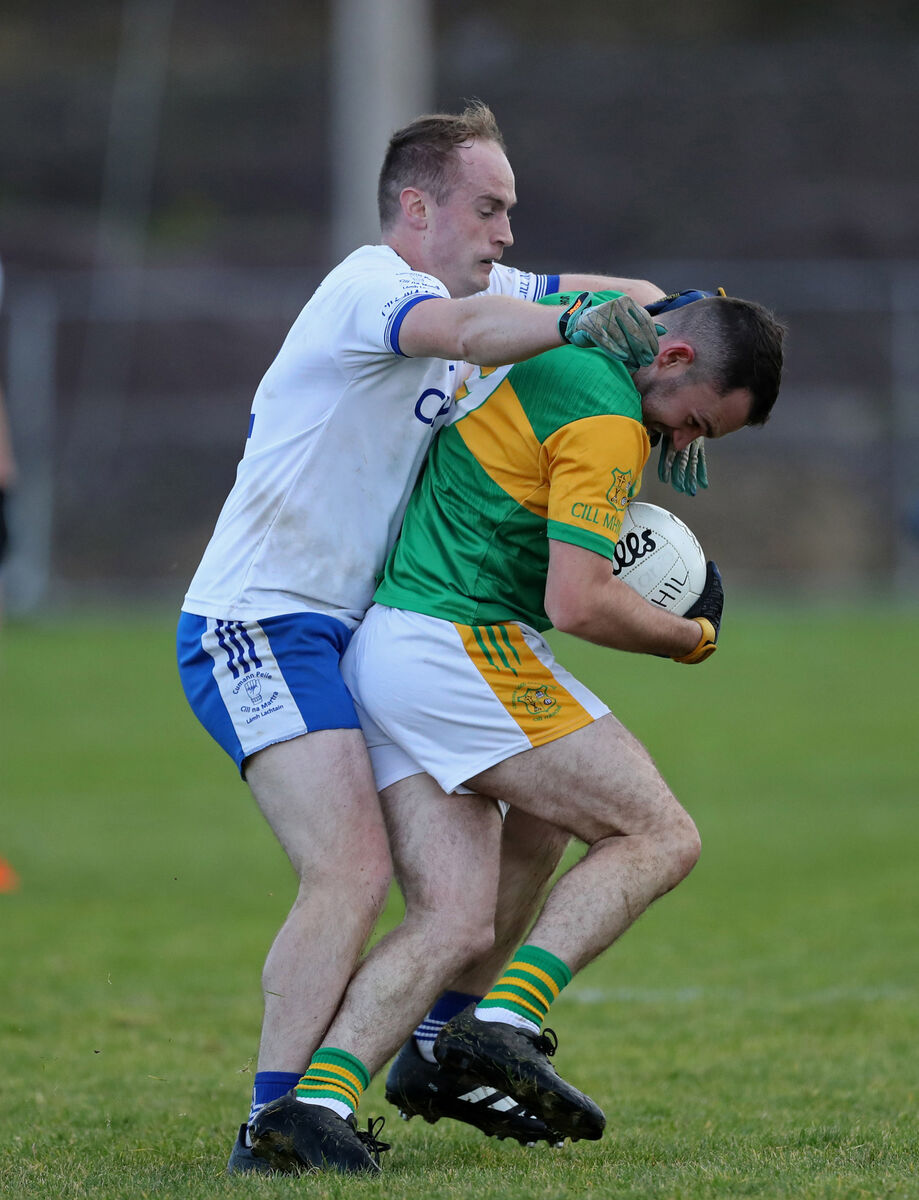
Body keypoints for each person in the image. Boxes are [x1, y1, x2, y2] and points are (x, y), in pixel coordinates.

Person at [176, 100, 670, 1173]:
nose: (503, 235)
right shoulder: (374, 286)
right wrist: (575, 324)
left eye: (509, 213)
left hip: (350, 634)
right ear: (416, 208)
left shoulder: (480, 287)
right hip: (255, 624)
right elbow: (463, 334)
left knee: (527, 826)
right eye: (488, 210)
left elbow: (618, 297)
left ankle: (433, 1044)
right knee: (348, 873)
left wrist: (677, 331)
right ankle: (271, 1126)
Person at [244, 289, 785, 1172]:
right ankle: (497, 1023)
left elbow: (658, 303)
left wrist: (671, 383)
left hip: (391, 646)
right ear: (675, 360)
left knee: (456, 915)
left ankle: (317, 1106)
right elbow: (574, 600)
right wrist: (690, 637)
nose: (683, 445)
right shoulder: (610, 420)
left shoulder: (554, 353)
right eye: (693, 425)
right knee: (658, 834)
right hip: (456, 646)